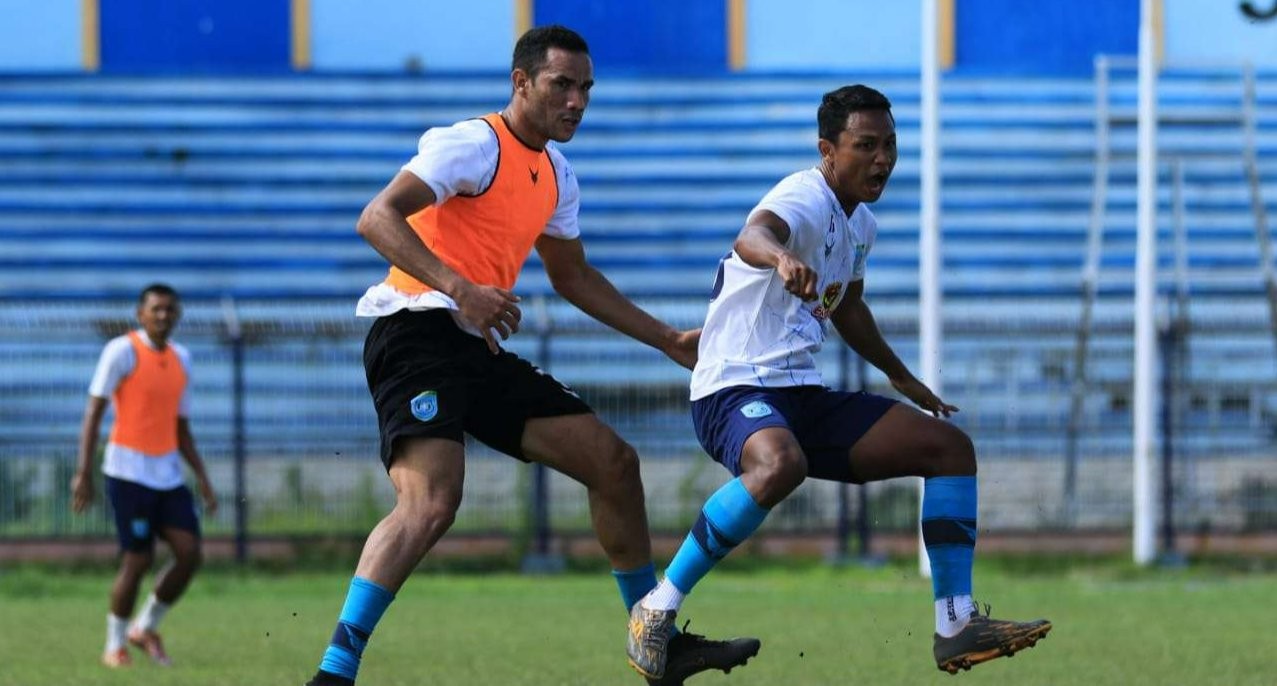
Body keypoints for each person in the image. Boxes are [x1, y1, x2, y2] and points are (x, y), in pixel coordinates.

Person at [303, 25, 758, 686]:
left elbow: (573, 277)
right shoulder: (473, 144)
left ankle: (650, 641)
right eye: (561, 85)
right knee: (431, 502)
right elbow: (376, 217)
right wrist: (460, 287)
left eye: (585, 89)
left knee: (612, 463)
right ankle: (334, 671)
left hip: (475, 342)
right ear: (521, 83)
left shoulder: (556, 175)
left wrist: (667, 339)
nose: (576, 101)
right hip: (414, 332)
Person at [625, 85, 1052, 680]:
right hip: (733, 387)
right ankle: (655, 610)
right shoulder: (804, 194)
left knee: (948, 448)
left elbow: (848, 307)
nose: (883, 159)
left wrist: (902, 377)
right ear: (828, 149)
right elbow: (752, 234)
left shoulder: (861, 225)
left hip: (800, 394)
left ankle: (956, 625)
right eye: (866, 145)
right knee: (779, 465)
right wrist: (779, 258)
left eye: (890, 145)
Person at [72, 283, 218, 668]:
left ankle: (144, 626)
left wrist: (202, 478)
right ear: (141, 314)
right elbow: (93, 413)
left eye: (170, 309)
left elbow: (181, 427)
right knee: (138, 560)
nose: (163, 315)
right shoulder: (121, 351)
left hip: (167, 474)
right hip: (126, 473)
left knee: (189, 553)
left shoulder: (182, 359)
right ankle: (114, 645)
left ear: (178, 315)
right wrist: (83, 472)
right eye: (156, 309)